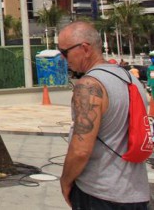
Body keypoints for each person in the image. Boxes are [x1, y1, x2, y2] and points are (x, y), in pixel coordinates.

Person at [58, 21, 149, 208]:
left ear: (85, 48)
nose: (63, 58)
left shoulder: (89, 85)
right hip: (136, 193)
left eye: (64, 52)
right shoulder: (131, 79)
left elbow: (81, 150)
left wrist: (65, 181)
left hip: (100, 193)